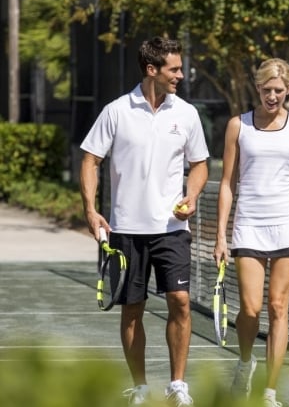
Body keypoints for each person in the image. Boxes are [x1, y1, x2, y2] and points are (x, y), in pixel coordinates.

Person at [79, 36, 209, 406]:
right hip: (126, 231)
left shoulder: (186, 113)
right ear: (151, 70)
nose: (181, 75)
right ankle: (139, 387)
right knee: (132, 309)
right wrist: (91, 209)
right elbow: (90, 158)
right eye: (174, 69)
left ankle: (177, 385)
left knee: (180, 301)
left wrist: (192, 195)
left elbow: (199, 163)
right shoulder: (116, 111)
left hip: (172, 230)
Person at [213, 58, 289, 407]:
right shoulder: (238, 126)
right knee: (250, 308)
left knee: (278, 307)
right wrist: (220, 234)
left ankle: (270, 392)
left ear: (287, 89)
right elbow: (228, 184)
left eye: (278, 90)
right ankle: (246, 362)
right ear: (256, 89)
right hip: (249, 226)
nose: (272, 96)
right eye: (266, 90)